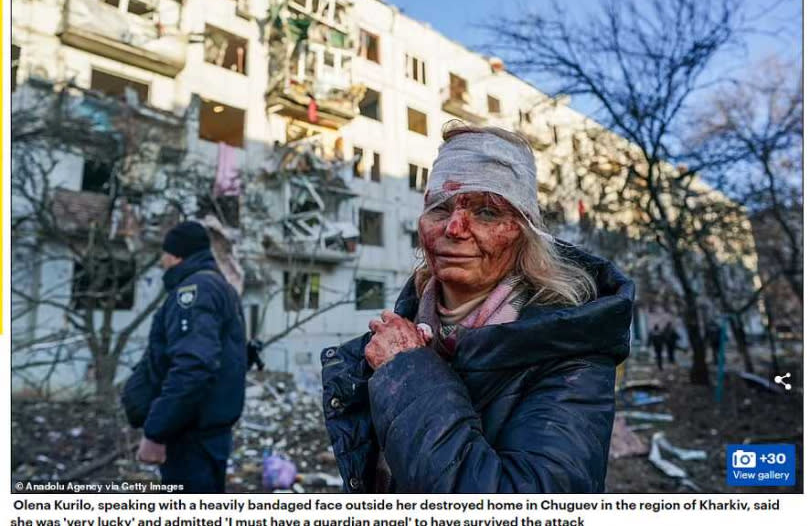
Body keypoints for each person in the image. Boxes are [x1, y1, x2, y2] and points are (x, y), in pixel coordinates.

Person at [321, 122, 634, 493]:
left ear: (525, 233)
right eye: (439, 208)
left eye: (486, 212)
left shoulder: (570, 354)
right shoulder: (398, 334)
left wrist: (408, 371)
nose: (454, 227)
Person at [121, 220, 247, 493]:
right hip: (204, 436)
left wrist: (157, 431)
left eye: (164, 255)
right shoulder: (219, 286)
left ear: (175, 255)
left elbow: (194, 367)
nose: (163, 263)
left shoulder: (195, 290)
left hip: (190, 440)